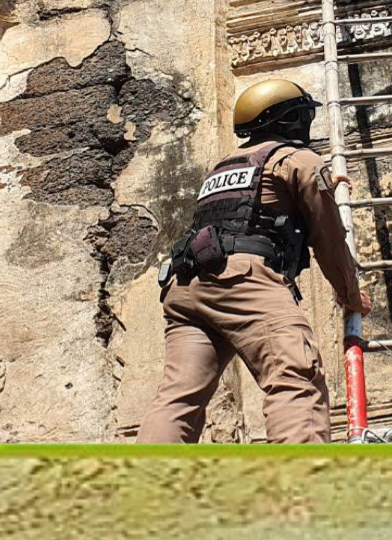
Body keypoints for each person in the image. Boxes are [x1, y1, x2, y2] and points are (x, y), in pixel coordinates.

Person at [138, 79, 370, 443]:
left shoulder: (224, 167)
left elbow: (255, 206)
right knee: (294, 376)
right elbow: (328, 238)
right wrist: (350, 293)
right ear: (290, 120)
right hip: (243, 282)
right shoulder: (299, 159)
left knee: (178, 398)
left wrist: (319, 181)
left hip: (186, 289)